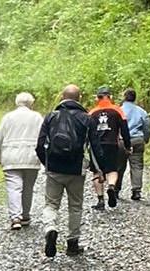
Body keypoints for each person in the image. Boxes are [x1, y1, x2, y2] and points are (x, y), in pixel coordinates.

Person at [37, 85, 93, 257]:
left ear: (62, 97)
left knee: (51, 204)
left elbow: (40, 144)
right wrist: (98, 169)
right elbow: (94, 146)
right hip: (76, 169)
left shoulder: (51, 116)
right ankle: (72, 243)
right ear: (80, 98)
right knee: (75, 206)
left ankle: (50, 228)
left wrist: (47, 163)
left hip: (54, 168)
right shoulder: (85, 118)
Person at [0, 92, 45, 231]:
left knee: (14, 187)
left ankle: (15, 217)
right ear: (31, 103)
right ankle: (25, 215)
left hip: (10, 156)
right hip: (31, 156)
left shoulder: (8, 117)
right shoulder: (37, 117)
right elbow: (43, 137)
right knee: (28, 188)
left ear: (17, 102)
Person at [87, 86, 133, 209]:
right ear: (110, 97)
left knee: (97, 171)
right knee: (112, 170)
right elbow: (125, 130)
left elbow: (87, 131)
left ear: (97, 98)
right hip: (112, 144)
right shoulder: (118, 110)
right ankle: (111, 186)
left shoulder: (92, 113)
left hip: (96, 146)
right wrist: (128, 146)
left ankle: (100, 200)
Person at [121, 88, 150, 200]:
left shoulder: (119, 110)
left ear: (124, 97)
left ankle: (116, 188)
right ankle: (136, 190)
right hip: (137, 139)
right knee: (137, 165)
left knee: (120, 165)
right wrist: (146, 139)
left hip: (122, 141)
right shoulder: (141, 111)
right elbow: (147, 127)